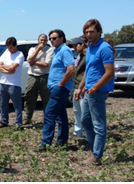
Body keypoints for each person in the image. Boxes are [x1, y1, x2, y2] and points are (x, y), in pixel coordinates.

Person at [75, 19, 115, 166]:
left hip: (97, 91)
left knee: (99, 124)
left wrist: (96, 87)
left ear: (99, 31)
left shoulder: (104, 48)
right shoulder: (90, 47)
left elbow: (109, 72)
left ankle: (96, 156)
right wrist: (80, 87)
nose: (88, 34)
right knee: (85, 121)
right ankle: (94, 150)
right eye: (86, 32)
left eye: (91, 31)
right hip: (88, 90)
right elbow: (89, 70)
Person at [36, 29, 75, 151]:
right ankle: (62, 141)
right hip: (55, 87)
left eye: (54, 38)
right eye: (50, 38)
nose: (52, 40)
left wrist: (61, 84)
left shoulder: (65, 51)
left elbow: (71, 69)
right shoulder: (56, 51)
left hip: (60, 88)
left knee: (49, 113)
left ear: (62, 38)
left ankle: (46, 143)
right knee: (61, 114)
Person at [23, 34, 54, 125]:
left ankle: (47, 119)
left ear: (47, 41)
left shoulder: (50, 50)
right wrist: (38, 50)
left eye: (44, 40)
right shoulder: (32, 49)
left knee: (46, 98)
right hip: (32, 76)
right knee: (29, 97)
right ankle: (27, 118)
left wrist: (34, 62)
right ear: (38, 40)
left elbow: (46, 64)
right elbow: (29, 60)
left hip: (44, 76)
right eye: (41, 40)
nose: (42, 42)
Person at [0, 37, 25, 128]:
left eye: (11, 48)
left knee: (16, 104)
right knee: (3, 103)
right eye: (8, 48)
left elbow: (13, 67)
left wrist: (4, 67)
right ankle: (4, 121)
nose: (10, 50)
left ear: (15, 45)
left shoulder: (19, 54)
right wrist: (7, 70)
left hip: (14, 83)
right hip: (3, 82)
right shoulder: (6, 52)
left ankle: (18, 123)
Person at [69, 36, 87, 138]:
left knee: (84, 112)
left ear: (82, 44)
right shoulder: (79, 56)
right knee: (77, 110)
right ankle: (78, 132)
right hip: (76, 86)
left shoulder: (87, 55)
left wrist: (83, 87)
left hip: (83, 87)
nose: (75, 48)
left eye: (76, 45)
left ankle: (87, 134)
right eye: (73, 46)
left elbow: (86, 72)